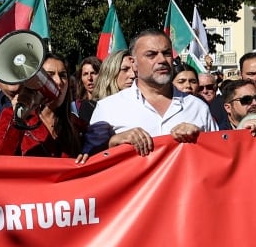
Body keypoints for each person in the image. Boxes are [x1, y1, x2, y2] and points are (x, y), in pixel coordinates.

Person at [86, 30, 216, 156]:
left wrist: (201, 139)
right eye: (151, 55)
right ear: (133, 63)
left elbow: (218, 157)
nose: (162, 60)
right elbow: (90, 164)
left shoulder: (198, 108)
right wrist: (113, 142)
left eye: (166, 53)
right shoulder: (107, 108)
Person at [0, 53, 83, 158]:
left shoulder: (76, 124)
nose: (58, 81)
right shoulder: (11, 115)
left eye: (63, 75)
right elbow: (1, 159)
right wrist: (19, 120)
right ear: (35, 81)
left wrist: (86, 157)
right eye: (50, 75)